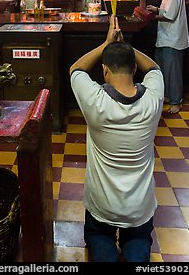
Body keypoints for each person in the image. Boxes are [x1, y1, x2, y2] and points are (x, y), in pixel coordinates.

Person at [69, 15, 164, 262]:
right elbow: (154, 69)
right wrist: (127, 48)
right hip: (140, 207)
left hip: (102, 205)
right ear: (134, 68)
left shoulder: (95, 101)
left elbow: (76, 69)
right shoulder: (153, 100)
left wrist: (106, 45)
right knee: (139, 244)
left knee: (101, 246)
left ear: (104, 70)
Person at [146, 0, 189, 114]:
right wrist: (156, 9)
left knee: (173, 72)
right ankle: (168, 95)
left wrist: (150, 16)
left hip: (173, 39)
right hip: (165, 38)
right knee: (163, 69)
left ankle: (176, 101)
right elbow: (167, 10)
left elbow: (170, 16)